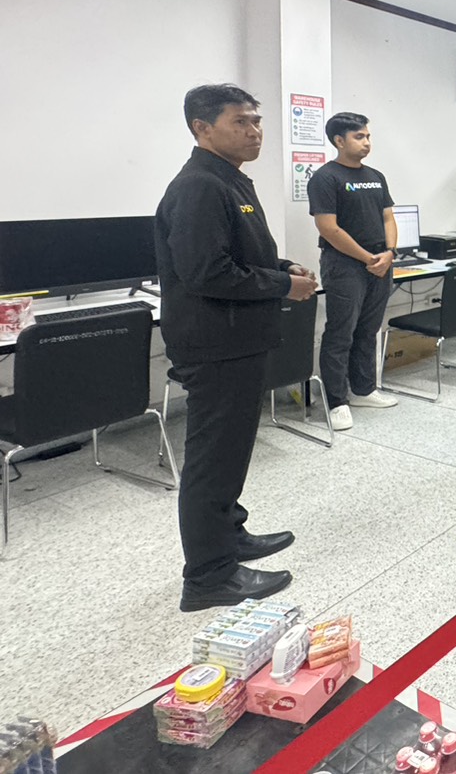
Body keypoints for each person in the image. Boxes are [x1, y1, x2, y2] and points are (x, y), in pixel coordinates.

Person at [155, 84, 316, 611]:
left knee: (231, 453)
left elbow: (238, 256)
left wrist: (282, 268)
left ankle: (230, 535)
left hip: (237, 339)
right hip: (214, 343)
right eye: (240, 122)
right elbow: (207, 272)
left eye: (256, 121)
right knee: (213, 459)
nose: (254, 132)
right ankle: (208, 576)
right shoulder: (200, 186)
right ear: (202, 128)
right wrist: (282, 286)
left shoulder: (229, 179)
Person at [307, 112, 400, 433]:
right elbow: (328, 228)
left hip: (380, 261)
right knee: (340, 332)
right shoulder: (325, 178)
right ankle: (336, 401)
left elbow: (388, 217)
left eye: (368, 136)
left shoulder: (376, 176)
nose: (366, 142)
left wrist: (389, 253)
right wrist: (368, 258)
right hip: (344, 264)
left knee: (368, 329)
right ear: (339, 141)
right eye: (359, 137)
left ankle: (363, 390)